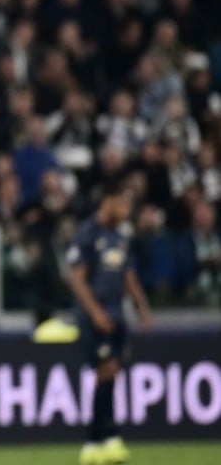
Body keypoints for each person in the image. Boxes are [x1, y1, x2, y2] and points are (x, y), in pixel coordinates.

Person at [67, 182, 152, 465]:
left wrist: (141, 305)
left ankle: (101, 440)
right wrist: (95, 313)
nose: (127, 211)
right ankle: (100, 439)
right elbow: (77, 278)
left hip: (116, 314)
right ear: (108, 201)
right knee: (106, 370)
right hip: (97, 315)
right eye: (123, 204)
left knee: (112, 373)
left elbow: (127, 273)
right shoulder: (88, 234)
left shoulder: (118, 236)